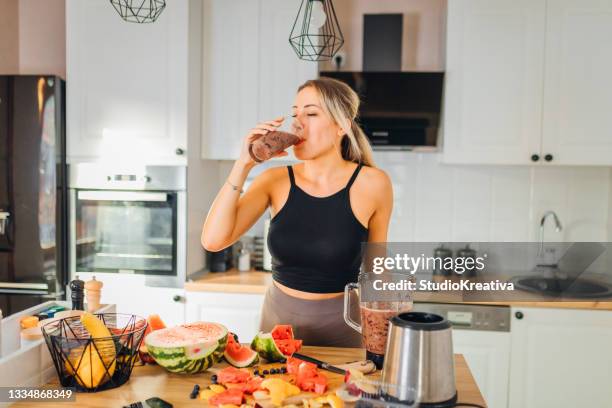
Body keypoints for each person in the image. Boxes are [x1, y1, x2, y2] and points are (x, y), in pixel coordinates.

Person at [201, 77, 393, 347]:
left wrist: (383, 332)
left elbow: (377, 267)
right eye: (295, 114)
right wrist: (243, 164)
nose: (298, 122)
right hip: (276, 325)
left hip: (344, 328)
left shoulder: (374, 183)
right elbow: (213, 240)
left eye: (311, 113)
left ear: (342, 126)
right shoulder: (273, 180)